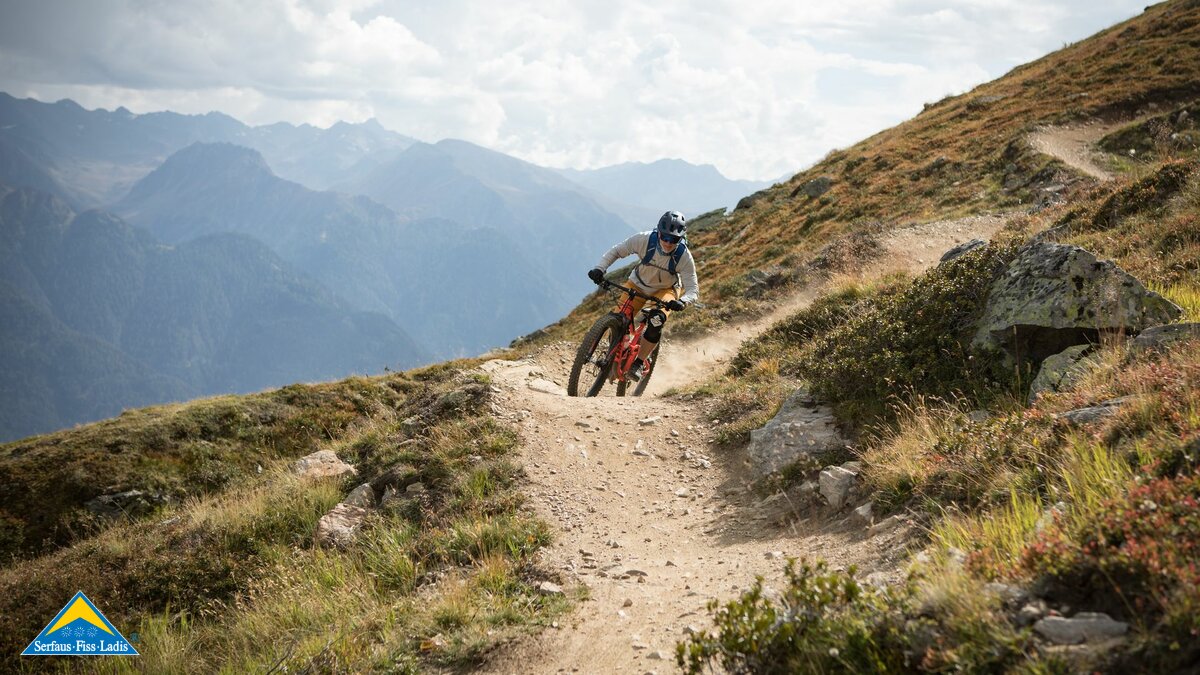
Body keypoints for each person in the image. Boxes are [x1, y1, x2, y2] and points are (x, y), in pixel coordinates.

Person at [587, 210, 699, 381]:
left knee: (656, 320)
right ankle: (612, 358)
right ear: (659, 232)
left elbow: (692, 289)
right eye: (665, 237)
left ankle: (638, 362)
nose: (668, 243)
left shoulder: (683, 256)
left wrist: (683, 301)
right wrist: (600, 268)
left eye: (674, 239)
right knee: (620, 318)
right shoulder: (644, 240)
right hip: (638, 283)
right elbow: (617, 251)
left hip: (666, 290)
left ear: (681, 238)